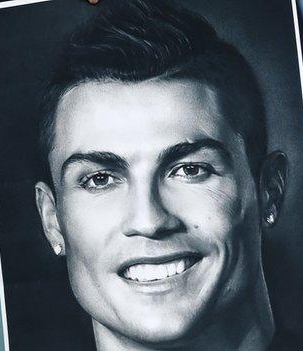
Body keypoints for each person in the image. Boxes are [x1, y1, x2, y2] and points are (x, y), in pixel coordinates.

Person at [32, 1, 287, 349]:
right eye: (100, 179)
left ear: (269, 190)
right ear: (52, 220)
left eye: (190, 170)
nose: (149, 221)